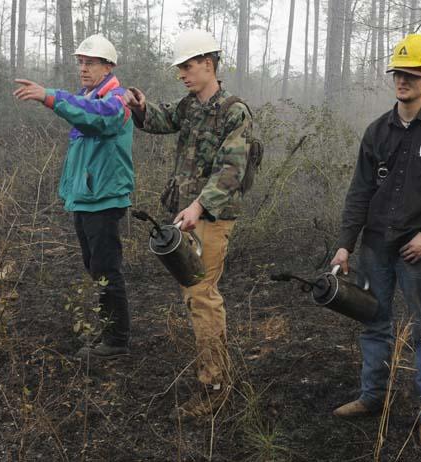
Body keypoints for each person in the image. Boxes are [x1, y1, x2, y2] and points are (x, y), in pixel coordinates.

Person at [330, 34, 421, 446]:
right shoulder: (377, 131)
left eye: (412, 75)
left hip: (419, 253)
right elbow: (359, 192)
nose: (403, 81)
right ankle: (372, 397)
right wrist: (345, 243)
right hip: (376, 247)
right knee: (374, 323)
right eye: (399, 73)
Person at [122, 29, 252, 418]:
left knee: (201, 296)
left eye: (188, 66)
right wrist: (141, 107)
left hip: (209, 218)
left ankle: (213, 387)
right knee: (195, 295)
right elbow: (163, 119)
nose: (182, 74)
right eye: (180, 68)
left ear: (208, 65)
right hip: (186, 216)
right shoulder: (191, 105)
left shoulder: (234, 111)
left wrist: (199, 206)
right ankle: (217, 375)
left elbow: (232, 169)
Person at [13, 34, 134, 359]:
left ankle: (117, 341)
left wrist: (50, 97)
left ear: (108, 66)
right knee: (95, 267)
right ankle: (110, 331)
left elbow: (99, 118)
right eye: (80, 62)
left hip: (104, 199)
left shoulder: (118, 98)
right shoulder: (88, 95)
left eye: (90, 62)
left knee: (107, 268)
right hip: (86, 198)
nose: (83, 68)